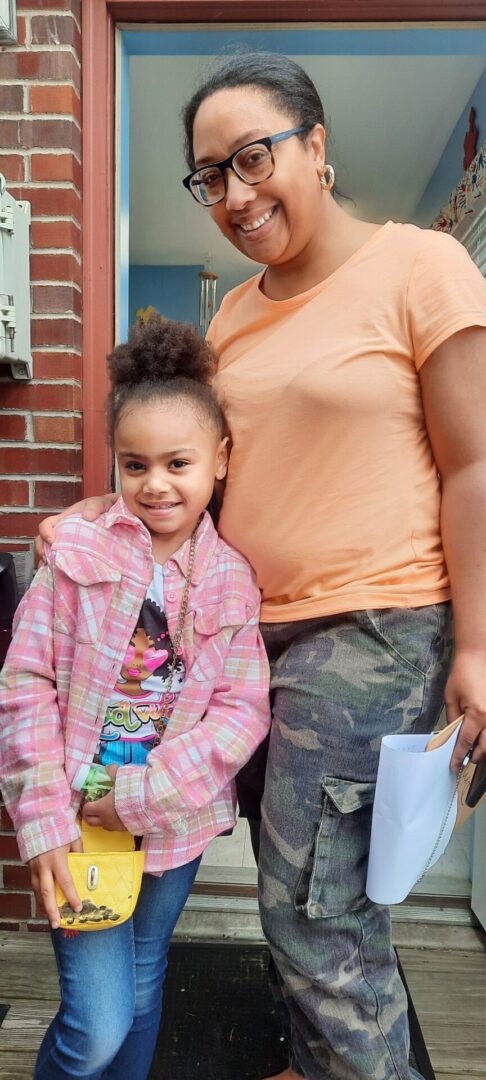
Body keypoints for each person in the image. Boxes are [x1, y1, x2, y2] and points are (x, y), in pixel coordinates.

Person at [37, 51, 486, 1080]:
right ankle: (317, 1058)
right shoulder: (235, 312)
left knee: (314, 914)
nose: (234, 196)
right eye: (210, 176)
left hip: (372, 627)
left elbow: (476, 466)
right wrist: (103, 515)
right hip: (242, 631)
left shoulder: (422, 267)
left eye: (253, 158)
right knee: (306, 888)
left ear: (315, 146)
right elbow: (194, 462)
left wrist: (479, 645)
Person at [0, 316, 271, 1080]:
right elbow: (25, 682)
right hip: (77, 819)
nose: (156, 483)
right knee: (95, 1027)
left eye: (178, 462)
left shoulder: (232, 579)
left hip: (171, 823)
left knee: (146, 979)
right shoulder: (75, 551)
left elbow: (243, 709)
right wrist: (45, 820)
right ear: (115, 462)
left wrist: (143, 796)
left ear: (220, 459)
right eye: (135, 464)